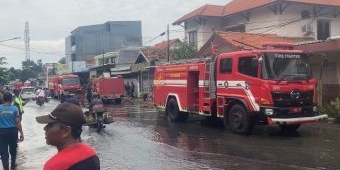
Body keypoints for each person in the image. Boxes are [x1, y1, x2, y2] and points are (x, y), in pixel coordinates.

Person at [36, 103, 100, 170]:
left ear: (65, 131)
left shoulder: (54, 166)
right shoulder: (91, 153)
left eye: (50, 125)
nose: (45, 128)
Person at [0, 91, 24, 170]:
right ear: (11, 99)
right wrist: (21, 133)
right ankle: (13, 165)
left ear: (3, 99)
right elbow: (18, 122)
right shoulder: (14, 108)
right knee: (13, 149)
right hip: (13, 131)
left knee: (3, 152)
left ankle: (6, 168)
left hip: (1, 132)